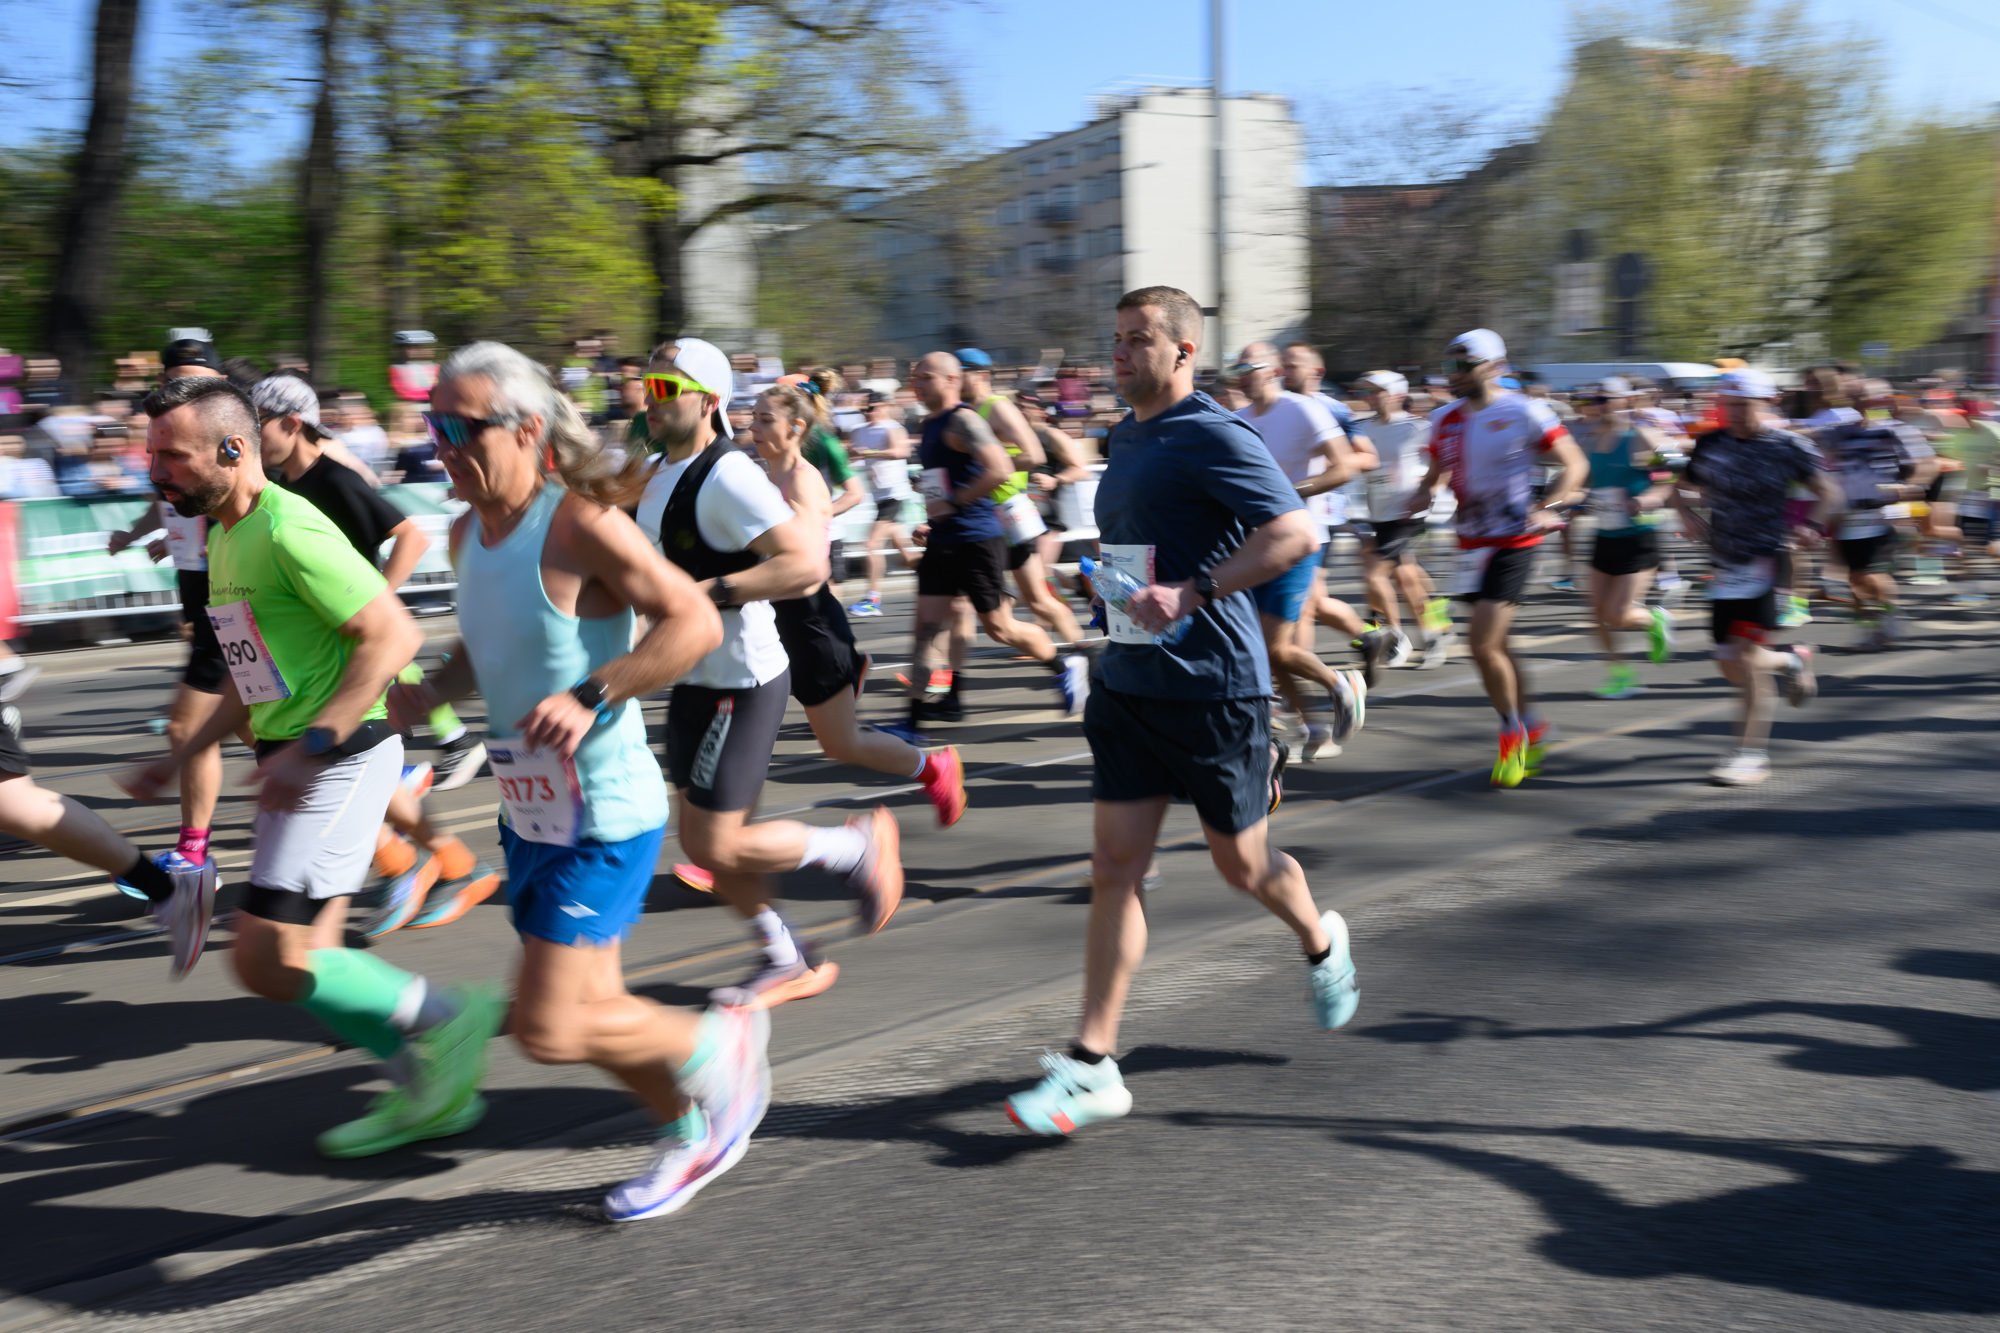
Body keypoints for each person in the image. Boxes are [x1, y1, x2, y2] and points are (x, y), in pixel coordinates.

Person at [386, 339, 771, 1222]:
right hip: (533, 815)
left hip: (604, 812)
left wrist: (594, 691)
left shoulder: (581, 524)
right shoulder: (464, 530)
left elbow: (689, 627)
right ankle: (691, 1129)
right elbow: (489, 644)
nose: (439, 444)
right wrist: (429, 691)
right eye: (431, 425)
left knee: (549, 1027)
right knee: (594, 1009)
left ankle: (722, 1039)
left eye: (458, 426)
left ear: (525, 429)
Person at [1003, 286, 1359, 1138]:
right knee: (1114, 866)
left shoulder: (1212, 431)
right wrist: (1106, 581)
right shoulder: (1125, 434)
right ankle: (1093, 1065)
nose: (1119, 355)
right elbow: (1146, 542)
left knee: (1241, 866)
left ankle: (1320, 937)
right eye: (1115, 338)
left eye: (1136, 341)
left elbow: (1294, 534)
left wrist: (1192, 591)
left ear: (1182, 353)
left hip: (1213, 686)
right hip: (1130, 681)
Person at [124, 373, 503, 1157]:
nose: (154, 471)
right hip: (298, 761)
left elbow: (392, 637)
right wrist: (185, 754)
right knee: (304, 960)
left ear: (234, 448)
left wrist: (317, 744)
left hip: (344, 756)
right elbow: (254, 672)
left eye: (173, 456)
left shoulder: (291, 529)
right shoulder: (227, 533)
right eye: (151, 454)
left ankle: (447, 1017)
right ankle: (428, 1083)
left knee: (266, 953)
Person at [633, 337, 904, 1010]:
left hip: (741, 679)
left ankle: (853, 847)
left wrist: (712, 594)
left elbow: (802, 565)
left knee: (720, 838)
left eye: (666, 389)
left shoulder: (728, 475)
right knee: (701, 846)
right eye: (647, 387)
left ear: (709, 400)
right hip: (693, 675)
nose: (650, 399)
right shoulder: (654, 468)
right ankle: (786, 955)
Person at [251, 374, 496, 932]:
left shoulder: (332, 479)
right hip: (311, 649)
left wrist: (378, 599)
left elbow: (411, 535)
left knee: (348, 763)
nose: (249, 435)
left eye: (258, 422)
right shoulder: (280, 483)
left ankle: (422, 863)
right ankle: (429, 862)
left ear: (292, 423)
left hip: (355, 649)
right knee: (332, 767)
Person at [748, 384, 965, 824]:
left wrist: (730, 585)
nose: (752, 426)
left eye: (765, 420)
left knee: (842, 744)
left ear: (796, 428)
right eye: (752, 417)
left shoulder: (804, 482)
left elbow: (806, 565)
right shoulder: (759, 476)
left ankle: (933, 767)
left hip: (808, 625)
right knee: (747, 736)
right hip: (765, 624)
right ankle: (725, 846)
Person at [1410, 329, 1589, 788]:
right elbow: (1435, 474)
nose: (1452, 375)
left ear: (1494, 366)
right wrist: (1420, 495)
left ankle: (1512, 734)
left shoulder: (1524, 410)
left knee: (1483, 645)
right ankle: (1533, 723)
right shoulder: (1445, 418)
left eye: (1462, 365)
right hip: (1470, 544)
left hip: (1516, 539)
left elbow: (1575, 464)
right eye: (1449, 365)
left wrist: (1547, 507)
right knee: (1500, 648)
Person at [904, 352, 1087, 730]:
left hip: (980, 535)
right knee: (926, 629)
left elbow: (1003, 467)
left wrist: (955, 503)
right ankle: (913, 722)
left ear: (953, 379)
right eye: (914, 378)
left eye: (925, 378)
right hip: (945, 539)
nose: (916, 384)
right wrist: (931, 519)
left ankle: (1066, 661)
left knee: (1002, 627)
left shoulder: (967, 419)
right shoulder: (930, 423)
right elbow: (942, 482)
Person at [1673, 368, 1838, 785]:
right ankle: (1791, 660)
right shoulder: (1710, 442)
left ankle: (1749, 755)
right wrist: (1685, 512)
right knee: (1728, 663)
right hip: (1725, 564)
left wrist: (1812, 526)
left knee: (1746, 663)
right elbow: (1678, 485)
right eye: (1729, 405)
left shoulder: (1787, 445)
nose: (1736, 413)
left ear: (1765, 404)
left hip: (1768, 560)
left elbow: (1832, 493)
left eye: (1744, 406)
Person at [1230, 342, 1368, 758]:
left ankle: (1341, 685)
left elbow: (1344, 466)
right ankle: (1314, 729)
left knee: (1276, 647)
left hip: (1295, 540)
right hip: (1250, 543)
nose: (1240, 374)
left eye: (1248, 366)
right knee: (1263, 650)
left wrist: (1291, 493)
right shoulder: (1234, 419)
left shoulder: (1303, 409)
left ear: (1272, 370)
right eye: (1236, 367)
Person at [960, 349, 1086, 649]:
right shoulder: (962, 411)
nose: (953, 379)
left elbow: (1034, 455)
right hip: (978, 515)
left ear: (981, 374)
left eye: (960, 371)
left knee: (1038, 600)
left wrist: (989, 470)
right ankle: (943, 674)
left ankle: (1082, 653)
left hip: (1009, 511)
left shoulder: (998, 407)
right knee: (961, 602)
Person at [1575, 378, 1676, 699]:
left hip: (1640, 537)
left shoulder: (1641, 436)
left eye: (1605, 398)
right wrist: (1573, 500)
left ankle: (1655, 620)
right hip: (1604, 534)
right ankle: (1622, 675)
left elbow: (1676, 466)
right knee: (1595, 614)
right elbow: (1585, 482)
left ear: (1624, 402)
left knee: (1618, 614)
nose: (1599, 403)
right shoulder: (1591, 439)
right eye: (1596, 398)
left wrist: (1654, 495)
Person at [1818, 381, 1937, 649]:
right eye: (1856, 397)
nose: (1861, 402)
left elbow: (1927, 464)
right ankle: (1870, 629)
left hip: (1882, 511)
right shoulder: (1839, 432)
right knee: (1852, 578)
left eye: (1866, 397)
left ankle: (1890, 613)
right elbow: (1822, 454)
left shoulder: (1898, 431)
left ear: (1881, 400)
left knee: (1869, 573)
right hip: (1846, 512)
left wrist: (1909, 488)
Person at [1351, 371, 1449, 671]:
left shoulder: (1417, 427)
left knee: (1375, 574)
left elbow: (1445, 462)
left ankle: (1395, 636)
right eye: (1366, 392)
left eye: (1376, 391)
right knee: (1407, 574)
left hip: (1410, 513)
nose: (1369, 397)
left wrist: (1429, 491)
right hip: (1377, 513)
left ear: (1394, 395)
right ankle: (1438, 629)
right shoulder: (1361, 428)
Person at [845, 391, 920, 617]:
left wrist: (869, 452)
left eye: (873, 408)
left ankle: (873, 600)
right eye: (864, 410)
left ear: (885, 406)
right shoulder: (858, 431)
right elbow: (849, 454)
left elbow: (901, 451)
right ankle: (951, 575)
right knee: (906, 557)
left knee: (870, 545)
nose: (869, 413)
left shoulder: (893, 428)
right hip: (878, 496)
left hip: (895, 494)